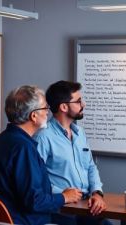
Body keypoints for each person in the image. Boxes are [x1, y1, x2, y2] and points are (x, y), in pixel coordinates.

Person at [0, 85, 82, 225]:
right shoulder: (24, 148)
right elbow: (35, 201)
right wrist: (64, 197)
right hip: (25, 220)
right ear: (34, 116)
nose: (48, 113)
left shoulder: (2, 140)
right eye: (45, 108)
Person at [33, 80, 108, 225]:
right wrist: (64, 194)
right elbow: (37, 180)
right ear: (64, 107)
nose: (83, 104)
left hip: (87, 206)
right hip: (62, 210)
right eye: (78, 101)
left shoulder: (80, 133)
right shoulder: (43, 137)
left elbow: (91, 167)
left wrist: (97, 193)